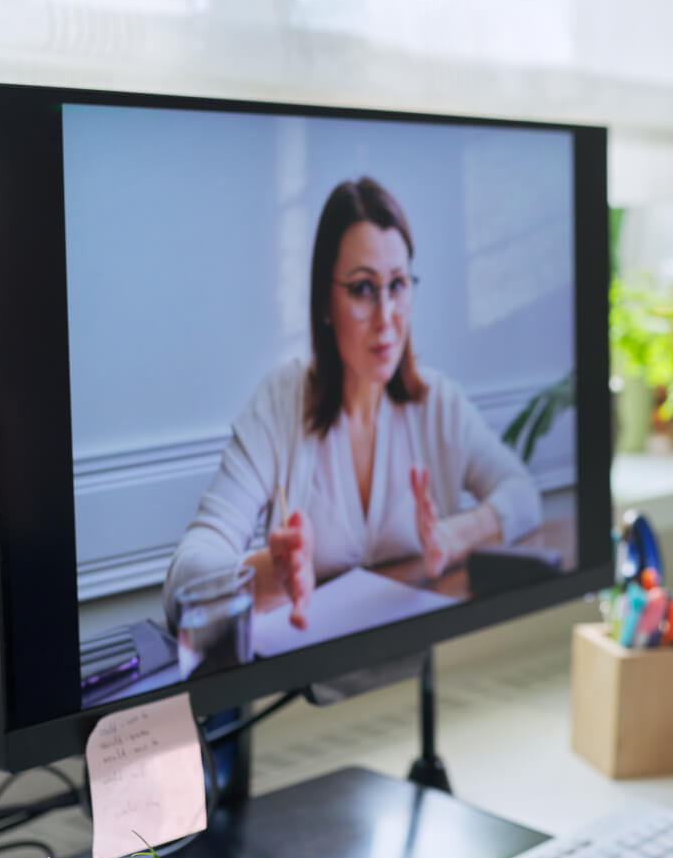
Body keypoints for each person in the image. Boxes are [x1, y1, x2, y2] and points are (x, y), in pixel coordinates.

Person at [164, 176, 540, 630]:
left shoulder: (439, 404)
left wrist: (453, 536)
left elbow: (523, 494)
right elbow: (182, 581)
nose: (386, 318)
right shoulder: (281, 404)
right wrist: (268, 574)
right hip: (312, 668)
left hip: (407, 652)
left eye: (398, 284)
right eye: (363, 288)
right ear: (326, 299)